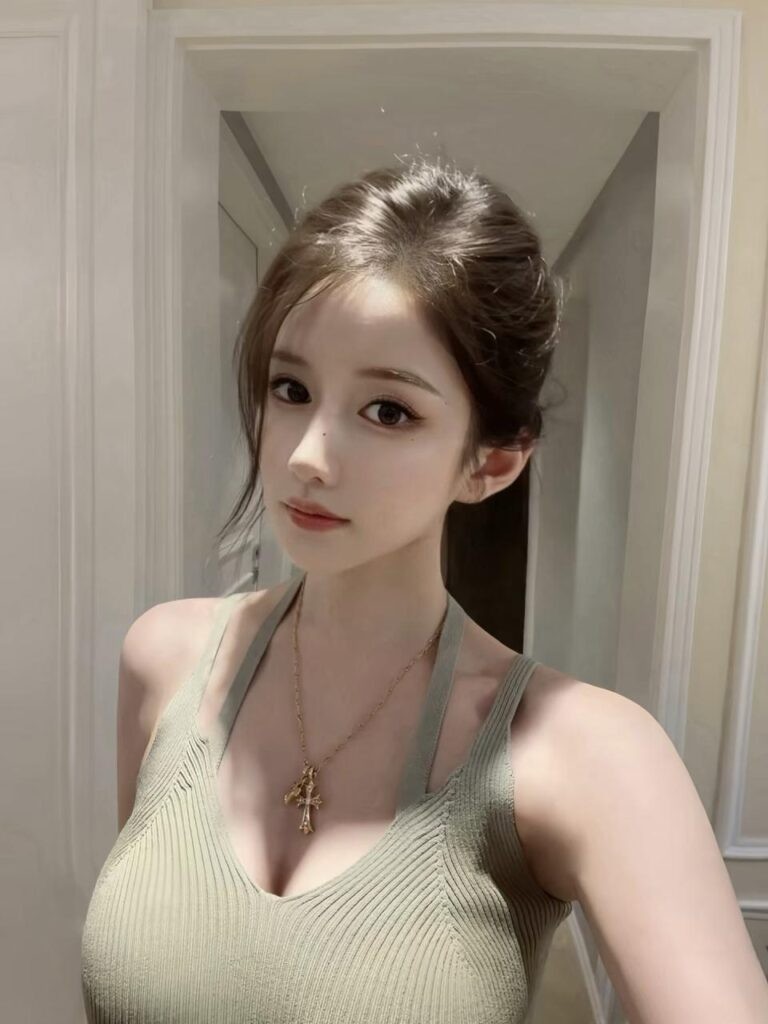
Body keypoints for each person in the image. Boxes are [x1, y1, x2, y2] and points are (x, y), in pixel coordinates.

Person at [81, 157, 768, 1023]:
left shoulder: (582, 753)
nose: (306, 456)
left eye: (389, 411)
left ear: (491, 463)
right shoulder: (165, 660)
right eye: (291, 389)